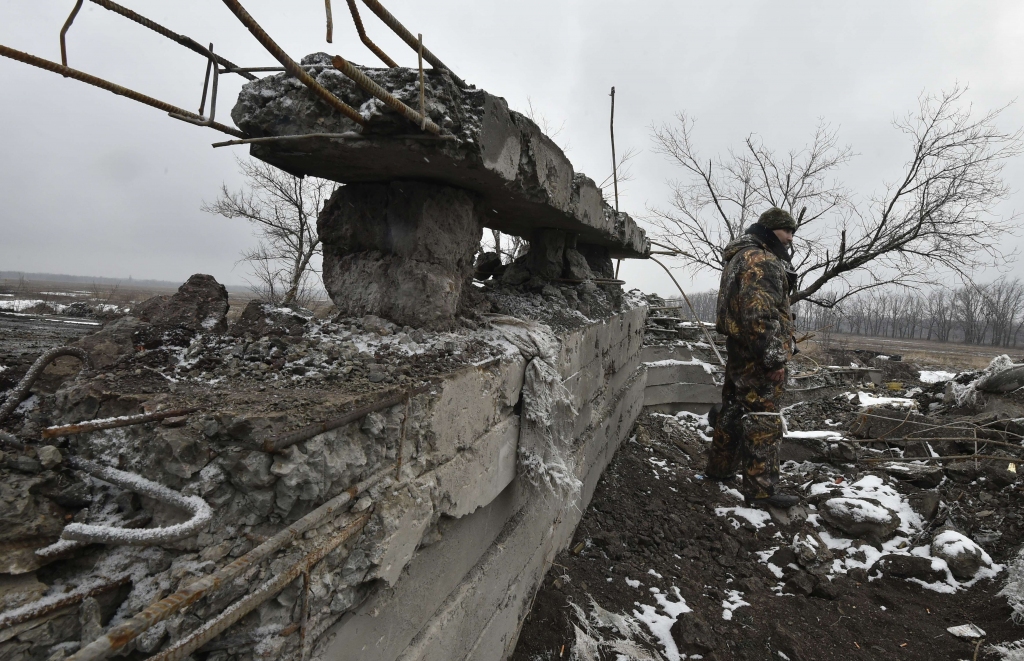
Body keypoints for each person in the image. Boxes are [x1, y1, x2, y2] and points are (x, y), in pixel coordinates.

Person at [705, 207, 800, 508]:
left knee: (733, 408)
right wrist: (774, 359)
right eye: (787, 231)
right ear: (771, 230)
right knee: (763, 417)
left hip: (739, 348)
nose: (790, 238)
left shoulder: (739, 257)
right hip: (757, 353)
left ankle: (719, 470)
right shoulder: (763, 260)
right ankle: (761, 491)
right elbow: (760, 314)